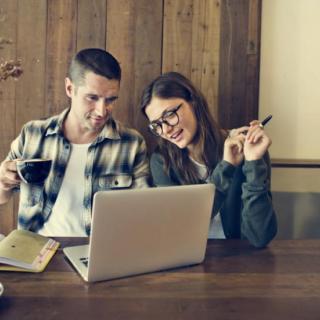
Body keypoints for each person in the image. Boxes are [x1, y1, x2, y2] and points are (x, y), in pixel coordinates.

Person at [0, 48, 150, 236]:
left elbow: (145, 213)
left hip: (102, 254)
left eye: (111, 100)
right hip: (37, 252)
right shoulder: (33, 135)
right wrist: (3, 182)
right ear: (70, 88)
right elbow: (1, 197)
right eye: (92, 98)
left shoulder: (132, 144)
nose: (102, 111)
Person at [139, 72, 277, 248]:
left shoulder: (247, 148)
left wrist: (254, 161)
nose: (165, 130)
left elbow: (260, 237)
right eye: (157, 125)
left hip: (240, 262)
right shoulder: (162, 161)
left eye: (170, 115)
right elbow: (181, 229)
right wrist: (226, 167)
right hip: (186, 259)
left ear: (194, 103)